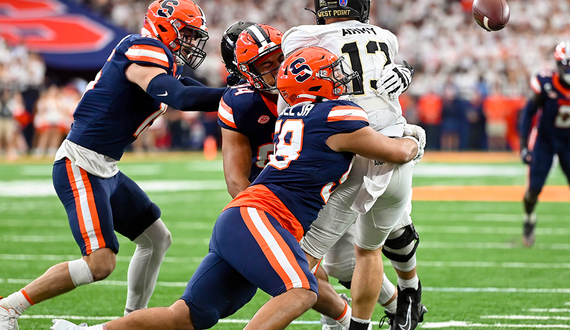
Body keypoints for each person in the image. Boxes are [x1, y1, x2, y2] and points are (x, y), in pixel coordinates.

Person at [49, 45, 423, 330]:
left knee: (183, 317)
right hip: (262, 218)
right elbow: (398, 152)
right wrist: (414, 137)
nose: (341, 79)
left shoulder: (293, 113)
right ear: (316, 82)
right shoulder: (338, 116)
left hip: (245, 218)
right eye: (333, 73)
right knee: (302, 291)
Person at [0, 1, 225, 329]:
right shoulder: (142, 49)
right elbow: (182, 98)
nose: (191, 41)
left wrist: (242, 94)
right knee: (100, 263)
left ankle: (132, 321)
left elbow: (200, 92)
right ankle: (8, 307)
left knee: (156, 238)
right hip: (81, 163)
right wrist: (238, 96)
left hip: (105, 167)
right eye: (187, 32)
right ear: (163, 26)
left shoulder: (162, 62)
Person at [280, 1, 427, 329]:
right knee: (370, 249)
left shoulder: (301, 36)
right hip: (396, 144)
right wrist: (405, 69)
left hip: (352, 153)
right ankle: (404, 296)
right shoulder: (386, 37)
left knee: (302, 259)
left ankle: (338, 320)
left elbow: (294, 86)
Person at [218, 22, 356, 328]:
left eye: (280, 59)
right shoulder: (241, 103)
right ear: (247, 72)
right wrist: (269, 217)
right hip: (274, 200)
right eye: (264, 66)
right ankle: (347, 319)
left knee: (349, 259)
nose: (278, 69)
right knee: (305, 273)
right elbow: (235, 179)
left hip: (325, 191)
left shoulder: (316, 87)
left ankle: (391, 304)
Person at [519, 40, 570, 247]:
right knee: (534, 189)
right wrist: (523, 146)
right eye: (567, 64)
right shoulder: (546, 82)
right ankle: (529, 219)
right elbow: (528, 113)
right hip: (545, 140)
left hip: (568, 142)